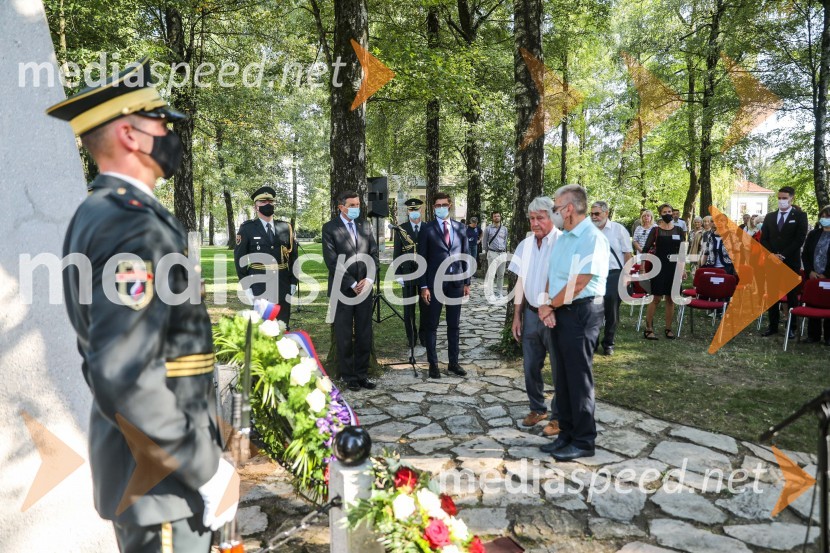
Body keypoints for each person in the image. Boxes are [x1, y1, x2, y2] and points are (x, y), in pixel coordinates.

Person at [49, 58, 236, 552]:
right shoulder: (132, 226)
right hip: (164, 487)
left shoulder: (100, 213)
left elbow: (107, 356)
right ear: (131, 135)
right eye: (162, 123)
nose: (171, 132)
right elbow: (124, 373)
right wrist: (205, 466)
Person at [537, 185, 609, 462]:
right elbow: (554, 275)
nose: (554, 213)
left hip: (582, 311)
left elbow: (581, 281)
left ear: (568, 208)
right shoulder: (566, 237)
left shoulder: (591, 237)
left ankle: (584, 439)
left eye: (555, 208)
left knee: (579, 380)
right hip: (562, 311)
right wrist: (550, 307)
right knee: (563, 379)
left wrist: (550, 305)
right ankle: (566, 434)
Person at [509, 196, 561, 437]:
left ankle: (559, 416)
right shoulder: (525, 245)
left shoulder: (563, 243)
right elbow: (520, 281)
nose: (535, 223)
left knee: (561, 368)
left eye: (540, 217)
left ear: (552, 217)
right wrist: (517, 315)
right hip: (530, 314)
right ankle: (537, 408)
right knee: (531, 366)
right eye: (531, 218)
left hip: (556, 316)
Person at [322, 190, 379, 391]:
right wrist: (352, 283)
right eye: (352, 205)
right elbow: (331, 261)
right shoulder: (330, 228)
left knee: (364, 332)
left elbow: (373, 253)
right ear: (341, 207)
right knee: (344, 334)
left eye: (358, 204)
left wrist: (369, 279)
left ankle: (362, 373)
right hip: (342, 290)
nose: (356, 208)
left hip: (365, 289)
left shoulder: (365, 225)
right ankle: (348, 376)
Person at [419, 192, 470, 379]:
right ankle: (433, 364)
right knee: (431, 325)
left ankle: (453, 363)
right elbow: (422, 259)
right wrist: (423, 286)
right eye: (437, 205)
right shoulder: (427, 229)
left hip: (456, 283)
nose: (441, 207)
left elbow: (465, 256)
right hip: (434, 284)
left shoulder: (460, 228)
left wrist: (467, 282)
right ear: (434, 208)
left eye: (444, 204)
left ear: (449, 206)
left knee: (454, 325)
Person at [234, 186, 297, 327]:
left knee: (282, 324)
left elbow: (294, 258)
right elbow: (239, 259)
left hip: (282, 281)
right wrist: (246, 287)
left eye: (270, 201)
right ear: (255, 206)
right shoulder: (247, 228)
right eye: (263, 202)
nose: (267, 204)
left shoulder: (285, 227)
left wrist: (293, 281)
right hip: (258, 281)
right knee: (262, 326)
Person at [760, 186, 809, 338]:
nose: (781, 201)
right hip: (772, 261)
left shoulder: (800, 216)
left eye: (784, 198)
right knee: (773, 295)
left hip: (791, 261)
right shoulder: (770, 217)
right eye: (779, 198)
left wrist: (783, 255)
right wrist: (773, 255)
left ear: (791, 198)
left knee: (792, 296)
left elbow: (799, 239)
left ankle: (792, 327)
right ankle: (772, 326)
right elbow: (764, 239)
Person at [590, 201, 632, 356]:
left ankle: (608, 343)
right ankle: (592, 342)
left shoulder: (618, 229)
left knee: (611, 309)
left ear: (606, 213)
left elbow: (628, 253)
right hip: (594, 275)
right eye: (591, 214)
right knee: (593, 309)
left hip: (615, 273)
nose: (593, 217)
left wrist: (627, 275)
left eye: (597, 213)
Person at [642, 203, 687, 340]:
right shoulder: (655, 230)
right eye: (665, 211)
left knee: (671, 298)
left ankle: (668, 328)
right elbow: (646, 248)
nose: (668, 213)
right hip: (658, 266)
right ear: (660, 214)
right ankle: (648, 328)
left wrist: (683, 268)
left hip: (674, 267)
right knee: (656, 298)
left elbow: (683, 251)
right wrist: (642, 266)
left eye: (670, 211)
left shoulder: (679, 230)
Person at [392, 198, 427, 348]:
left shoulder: (427, 227)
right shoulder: (401, 229)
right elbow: (397, 253)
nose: (414, 212)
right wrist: (398, 274)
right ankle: (411, 337)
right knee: (409, 308)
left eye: (416, 209)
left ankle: (424, 337)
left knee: (425, 306)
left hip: (424, 273)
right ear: (407, 211)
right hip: (407, 272)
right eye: (411, 210)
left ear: (421, 210)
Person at [801, 206, 830, 344]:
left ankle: (829, 337)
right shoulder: (813, 234)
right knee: (814, 303)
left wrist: (826, 274)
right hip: (812, 275)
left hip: (827, 277)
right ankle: (813, 335)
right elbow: (805, 254)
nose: (824, 219)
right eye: (823, 216)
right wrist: (810, 271)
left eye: (828, 216)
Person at [484, 210, 509, 298]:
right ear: (492, 218)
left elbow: (505, 241)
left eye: (498, 216)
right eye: (495, 216)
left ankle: (499, 293)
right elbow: (484, 242)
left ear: (500, 217)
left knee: (501, 275)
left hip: (502, 253)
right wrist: (488, 252)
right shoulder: (488, 229)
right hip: (492, 252)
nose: (497, 217)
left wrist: (505, 251)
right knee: (491, 275)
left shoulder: (504, 229)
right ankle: (490, 293)